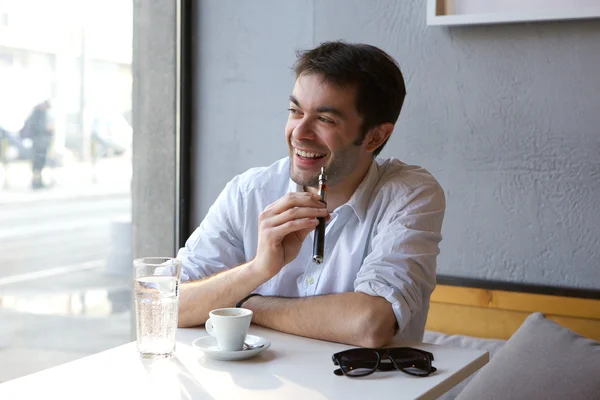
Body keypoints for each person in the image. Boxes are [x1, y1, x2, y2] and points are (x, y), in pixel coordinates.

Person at [177, 41, 446, 347]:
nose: (299, 132)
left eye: (325, 119)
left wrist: (248, 305)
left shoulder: (408, 195)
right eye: (295, 111)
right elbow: (170, 304)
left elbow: (371, 324)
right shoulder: (248, 192)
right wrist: (258, 269)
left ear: (375, 136)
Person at [22, 100, 54, 189]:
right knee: (38, 162)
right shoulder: (38, 114)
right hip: (39, 142)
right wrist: (46, 129)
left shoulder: (38, 113)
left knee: (39, 162)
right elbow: (37, 127)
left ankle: (38, 181)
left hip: (40, 142)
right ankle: (36, 182)